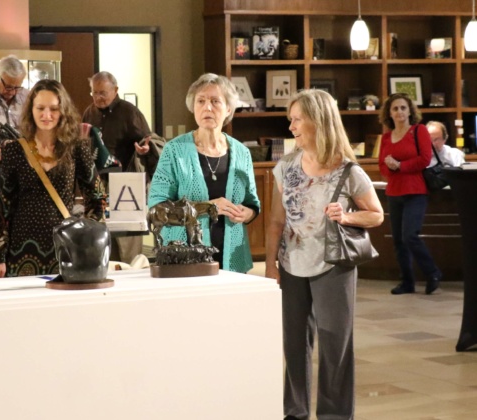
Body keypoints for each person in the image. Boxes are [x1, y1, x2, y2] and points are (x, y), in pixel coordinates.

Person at [265, 89, 383, 420]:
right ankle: (295, 412)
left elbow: (376, 215)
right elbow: (276, 222)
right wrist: (271, 265)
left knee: (335, 346)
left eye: (297, 119)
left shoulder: (348, 171)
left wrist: (347, 217)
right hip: (291, 265)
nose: (291, 126)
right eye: (290, 119)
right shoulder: (285, 167)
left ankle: (335, 415)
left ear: (318, 121)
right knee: (294, 344)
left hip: (333, 265)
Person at [0, 79, 106, 277]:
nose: (46, 115)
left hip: (65, 248)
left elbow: (97, 199)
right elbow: (5, 207)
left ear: (63, 111)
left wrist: (87, 242)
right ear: (31, 110)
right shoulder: (14, 150)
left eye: (53, 109)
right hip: (21, 250)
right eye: (40, 108)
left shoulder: (76, 148)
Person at [148, 73, 260, 273]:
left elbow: (252, 203)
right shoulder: (174, 151)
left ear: (228, 108)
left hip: (232, 257)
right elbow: (157, 209)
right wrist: (207, 207)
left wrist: (247, 213)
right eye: (201, 101)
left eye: (215, 101)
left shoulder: (242, 152)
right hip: (186, 257)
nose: (207, 107)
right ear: (193, 107)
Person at [82, 71, 153, 264]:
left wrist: (144, 149)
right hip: (99, 184)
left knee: (127, 244)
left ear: (115, 90)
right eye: (94, 92)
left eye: (103, 93)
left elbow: (148, 141)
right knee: (103, 243)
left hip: (126, 185)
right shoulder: (89, 112)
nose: (98, 97)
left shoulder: (129, 112)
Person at [378, 93, 443, 295]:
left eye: (403, 108)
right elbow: (382, 166)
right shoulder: (386, 137)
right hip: (394, 192)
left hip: (416, 191)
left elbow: (425, 159)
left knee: (409, 236)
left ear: (410, 111)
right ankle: (407, 282)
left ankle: (432, 272)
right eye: (395, 108)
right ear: (389, 113)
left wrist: (400, 166)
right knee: (398, 240)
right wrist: (391, 167)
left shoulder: (418, 130)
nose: (399, 112)